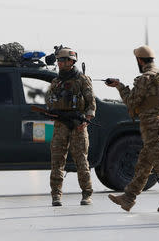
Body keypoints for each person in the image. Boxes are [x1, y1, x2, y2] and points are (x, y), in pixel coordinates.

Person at [105, 45, 159, 212]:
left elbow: (131, 102)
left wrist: (120, 87)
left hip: (152, 126)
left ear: (140, 60)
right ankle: (128, 198)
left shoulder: (144, 79)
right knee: (144, 163)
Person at [46, 47, 96, 206]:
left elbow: (91, 103)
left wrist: (86, 120)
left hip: (78, 125)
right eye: (58, 60)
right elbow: (49, 101)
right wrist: (52, 112)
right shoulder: (56, 82)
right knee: (57, 161)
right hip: (61, 125)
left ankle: (87, 194)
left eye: (62, 60)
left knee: (81, 161)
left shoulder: (82, 80)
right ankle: (56, 195)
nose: (59, 63)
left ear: (71, 61)